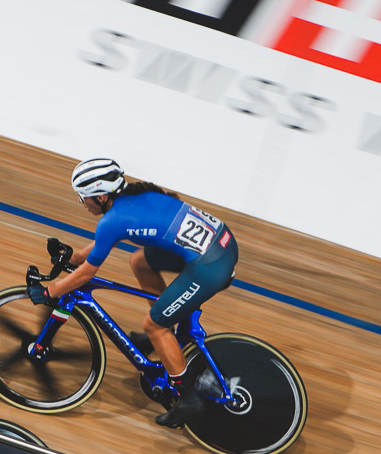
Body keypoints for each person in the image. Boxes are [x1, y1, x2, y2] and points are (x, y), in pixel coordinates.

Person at [31, 158, 238, 429]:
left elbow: (86, 275)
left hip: (210, 265)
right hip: (222, 244)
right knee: (139, 261)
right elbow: (106, 240)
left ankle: (188, 398)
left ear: (102, 196)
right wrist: (74, 257)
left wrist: (49, 291)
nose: (82, 203)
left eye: (83, 198)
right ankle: (169, 324)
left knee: (154, 324)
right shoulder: (137, 198)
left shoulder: (113, 220)